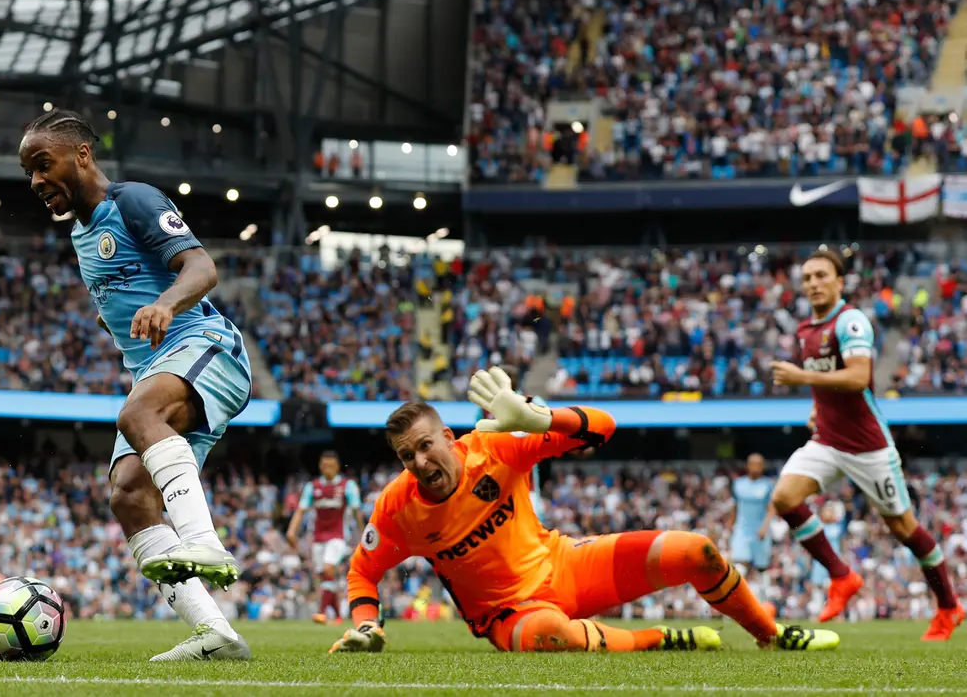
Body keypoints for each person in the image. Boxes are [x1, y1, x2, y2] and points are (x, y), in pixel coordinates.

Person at [331, 368, 839, 654]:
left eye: (425, 446)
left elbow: (605, 425)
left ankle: (772, 638)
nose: (419, 463)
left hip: (565, 565)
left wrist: (537, 417)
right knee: (554, 637)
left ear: (447, 437)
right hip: (512, 615)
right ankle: (661, 640)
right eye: (406, 456)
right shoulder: (398, 505)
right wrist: (368, 624)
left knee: (697, 550)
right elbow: (362, 571)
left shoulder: (495, 447)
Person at [19, 109, 251, 660]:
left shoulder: (133, 201)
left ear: (81, 155)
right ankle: (216, 635)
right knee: (127, 494)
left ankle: (204, 544)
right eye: (28, 172)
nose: (35, 182)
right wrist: (122, 319)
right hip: (157, 367)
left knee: (135, 416)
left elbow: (201, 268)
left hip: (206, 346)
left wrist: (166, 304)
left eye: (43, 164)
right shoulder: (81, 232)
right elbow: (125, 293)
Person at [769, 250, 964, 640]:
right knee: (785, 498)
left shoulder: (851, 321)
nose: (813, 283)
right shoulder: (806, 329)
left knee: (903, 527)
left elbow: (858, 377)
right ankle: (842, 577)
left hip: (868, 446)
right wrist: (814, 408)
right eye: (807, 278)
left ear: (839, 282)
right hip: (826, 439)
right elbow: (825, 380)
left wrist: (798, 377)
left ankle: (948, 606)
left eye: (821, 275)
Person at [286, 450, 363, 624]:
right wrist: (292, 531)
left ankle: (321, 612)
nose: (326, 468)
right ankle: (337, 616)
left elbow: (357, 512)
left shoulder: (347, 486)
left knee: (329, 569)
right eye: (323, 465)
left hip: (339, 536)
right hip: (318, 538)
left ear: (337, 466)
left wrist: (362, 536)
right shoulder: (312, 487)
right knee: (324, 576)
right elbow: (301, 510)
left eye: (330, 465)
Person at [728, 453, 776, 617]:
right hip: (742, 530)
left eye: (759, 464)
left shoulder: (768, 485)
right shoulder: (738, 484)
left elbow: (771, 508)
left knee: (762, 569)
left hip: (759, 531)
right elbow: (736, 506)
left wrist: (765, 526)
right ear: (748, 466)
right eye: (753, 464)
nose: (756, 467)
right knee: (739, 567)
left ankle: (764, 607)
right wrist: (730, 525)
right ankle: (735, 606)